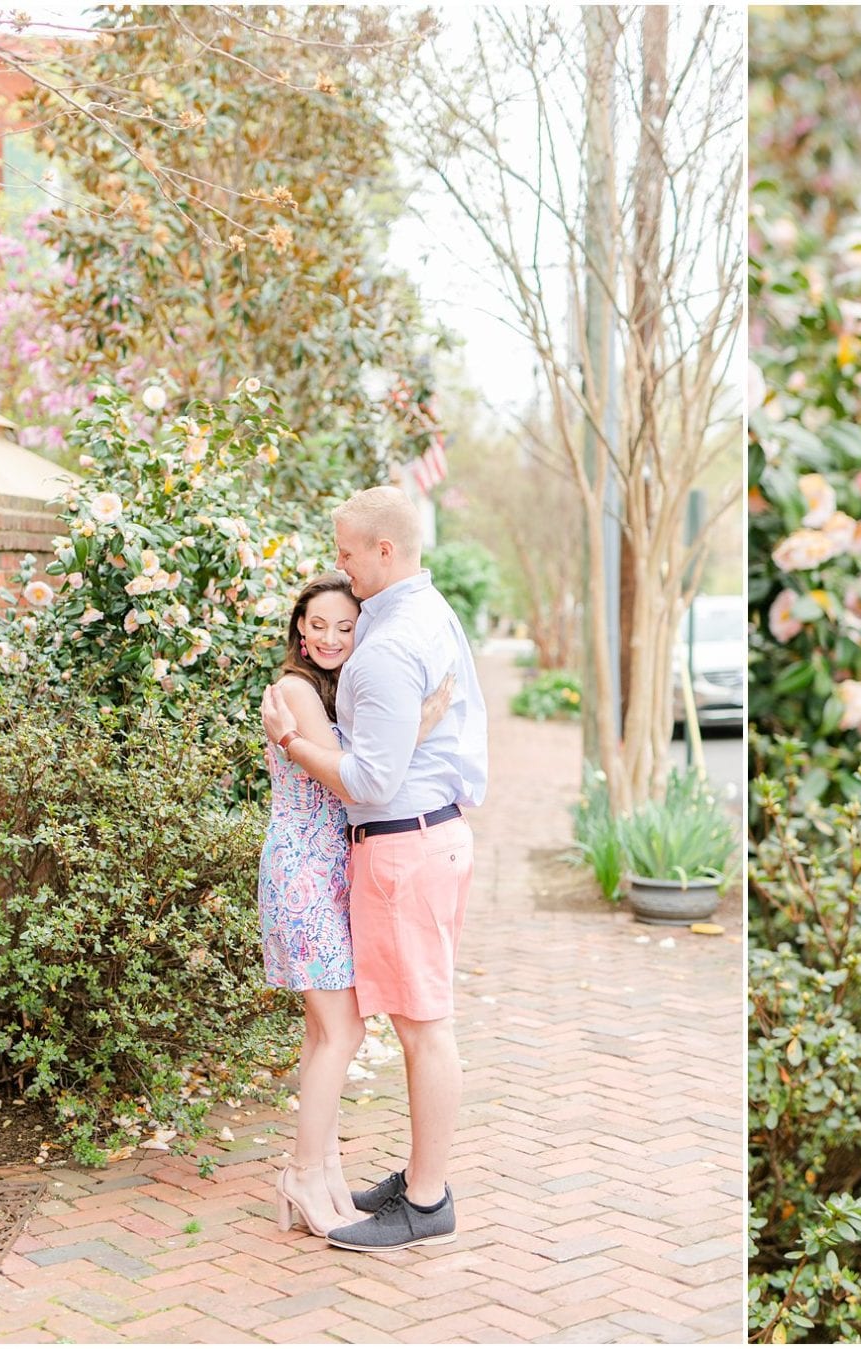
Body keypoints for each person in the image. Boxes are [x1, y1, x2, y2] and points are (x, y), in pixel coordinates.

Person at [262, 486, 488, 1252]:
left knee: (422, 1028)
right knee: (373, 1025)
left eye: (348, 551)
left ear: (383, 551)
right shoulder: (422, 617)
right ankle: (380, 1178)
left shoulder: (388, 643)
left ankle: (425, 1198)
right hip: (412, 841)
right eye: (317, 622)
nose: (341, 562)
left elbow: (369, 778)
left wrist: (294, 744)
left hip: (403, 845)